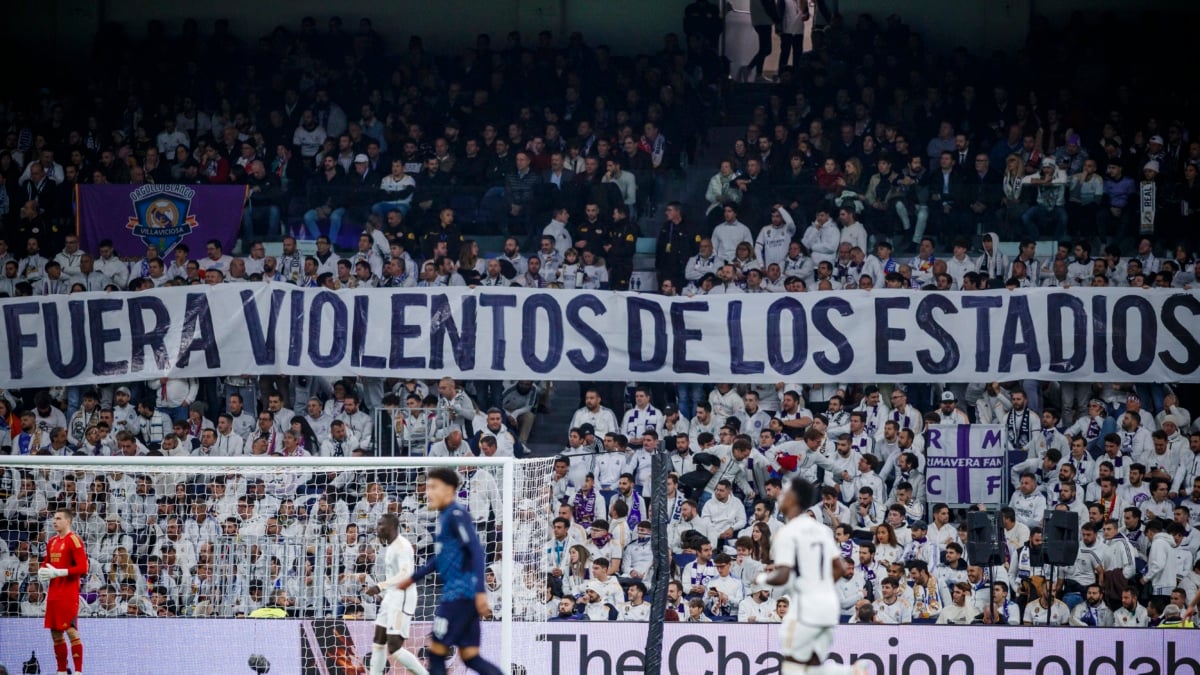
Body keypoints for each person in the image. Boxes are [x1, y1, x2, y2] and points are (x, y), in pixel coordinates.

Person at [397, 467, 502, 675]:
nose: (428, 492)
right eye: (427, 487)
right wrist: (414, 578)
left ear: (450, 489)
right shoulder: (444, 516)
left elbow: (476, 551)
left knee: (436, 653)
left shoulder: (456, 514)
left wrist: (481, 592)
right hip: (462, 597)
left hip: (459, 596)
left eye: (433, 487)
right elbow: (443, 557)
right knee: (471, 657)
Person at [755, 478, 864, 675]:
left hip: (805, 606)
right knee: (811, 665)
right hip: (828, 605)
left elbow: (782, 576)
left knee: (791, 665)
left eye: (785, 492)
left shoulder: (788, 532)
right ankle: (850, 672)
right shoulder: (822, 530)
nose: (780, 496)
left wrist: (760, 579)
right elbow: (840, 568)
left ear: (794, 499)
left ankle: (849, 672)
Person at [365, 513, 427, 675]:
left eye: (381, 525)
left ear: (391, 527)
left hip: (402, 598)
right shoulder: (391, 547)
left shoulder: (403, 547)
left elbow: (405, 574)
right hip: (391, 597)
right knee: (378, 641)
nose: (377, 529)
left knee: (394, 647)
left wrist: (380, 586)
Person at [39, 508, 87, 675]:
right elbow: (46, 562)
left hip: (68, 593)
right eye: (54, 518)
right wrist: (42, 571)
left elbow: (83, 567)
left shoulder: (74, 540)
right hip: (53, 594)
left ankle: (78, 671)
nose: (55, 521)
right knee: (55, 632)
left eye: (58, 518)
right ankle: (61, 671)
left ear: (68, 521)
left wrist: (60, 572)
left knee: (71, 630)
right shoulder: (52, 541)